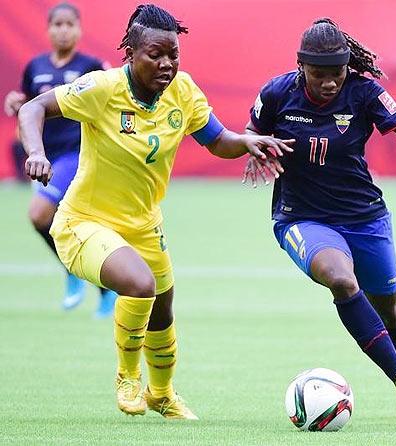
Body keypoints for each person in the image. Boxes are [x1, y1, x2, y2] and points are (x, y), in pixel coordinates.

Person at [19, 4, 293, 420]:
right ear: (129, 52)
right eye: (155, 54)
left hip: (145, 224)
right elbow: (32, 108)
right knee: (139, 285)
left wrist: (248, 142)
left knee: (163, 308)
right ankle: (127, 378)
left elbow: (217, 141)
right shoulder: (101, 88)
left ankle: (161, 394)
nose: (167, 64)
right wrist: (37, 153)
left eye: (173, 55)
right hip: (84, 222)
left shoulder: (183, 91)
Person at [243, 18, 396, 420]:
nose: (328, 83)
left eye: (335, 74)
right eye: (318, 75)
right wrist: (257, 149)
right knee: (341, 279)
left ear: (346, 67)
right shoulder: (276, 93)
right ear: (301, 67)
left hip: (365, 216)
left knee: (390, 311)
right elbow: (252, 132)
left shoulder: (363, 91)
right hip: (302, 217)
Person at [4, 2, 117, 316]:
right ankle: (101, 285)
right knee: (67, 222)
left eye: (69, 24)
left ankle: (74, 271)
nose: (63, 30)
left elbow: (111, 97)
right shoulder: (35, 66)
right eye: (57, 24)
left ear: (80, 29)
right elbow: (31, 104)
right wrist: (18, 102)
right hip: (42, 155)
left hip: (75, 154)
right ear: (48, 29)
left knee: (40, 214)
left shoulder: (91, 65)